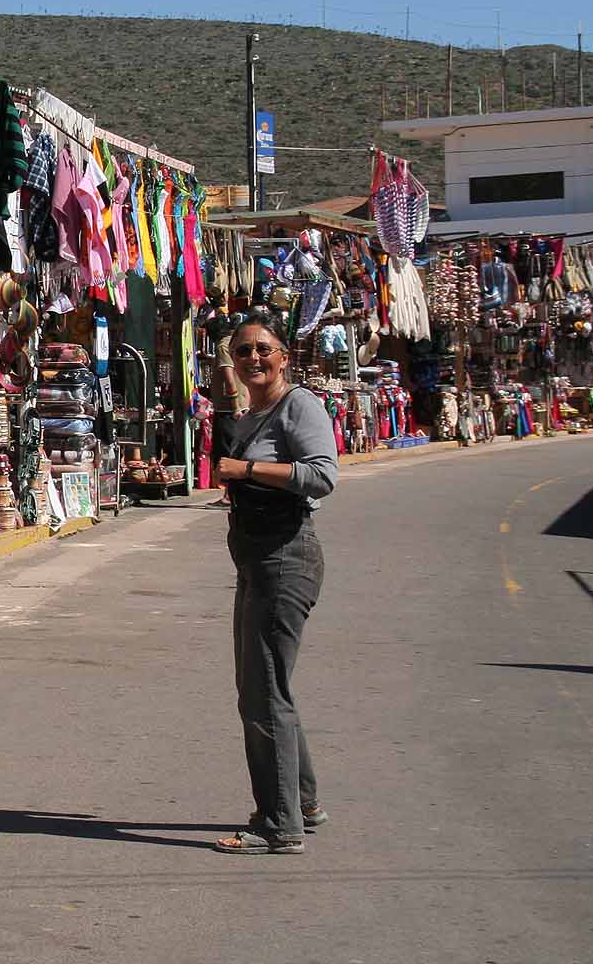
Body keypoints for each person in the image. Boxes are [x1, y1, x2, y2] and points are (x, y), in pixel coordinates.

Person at [210, 316, 338, 855]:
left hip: (285, 558)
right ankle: (302, 803)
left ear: (283, 356)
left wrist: (244, 471)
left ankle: (278, 824)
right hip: (257, 560)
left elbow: (322, 475)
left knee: (264, 693)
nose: (253, 359)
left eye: (263, 350)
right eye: (243, 352)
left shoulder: (298, 405)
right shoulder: (252, 416)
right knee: (264, 688)